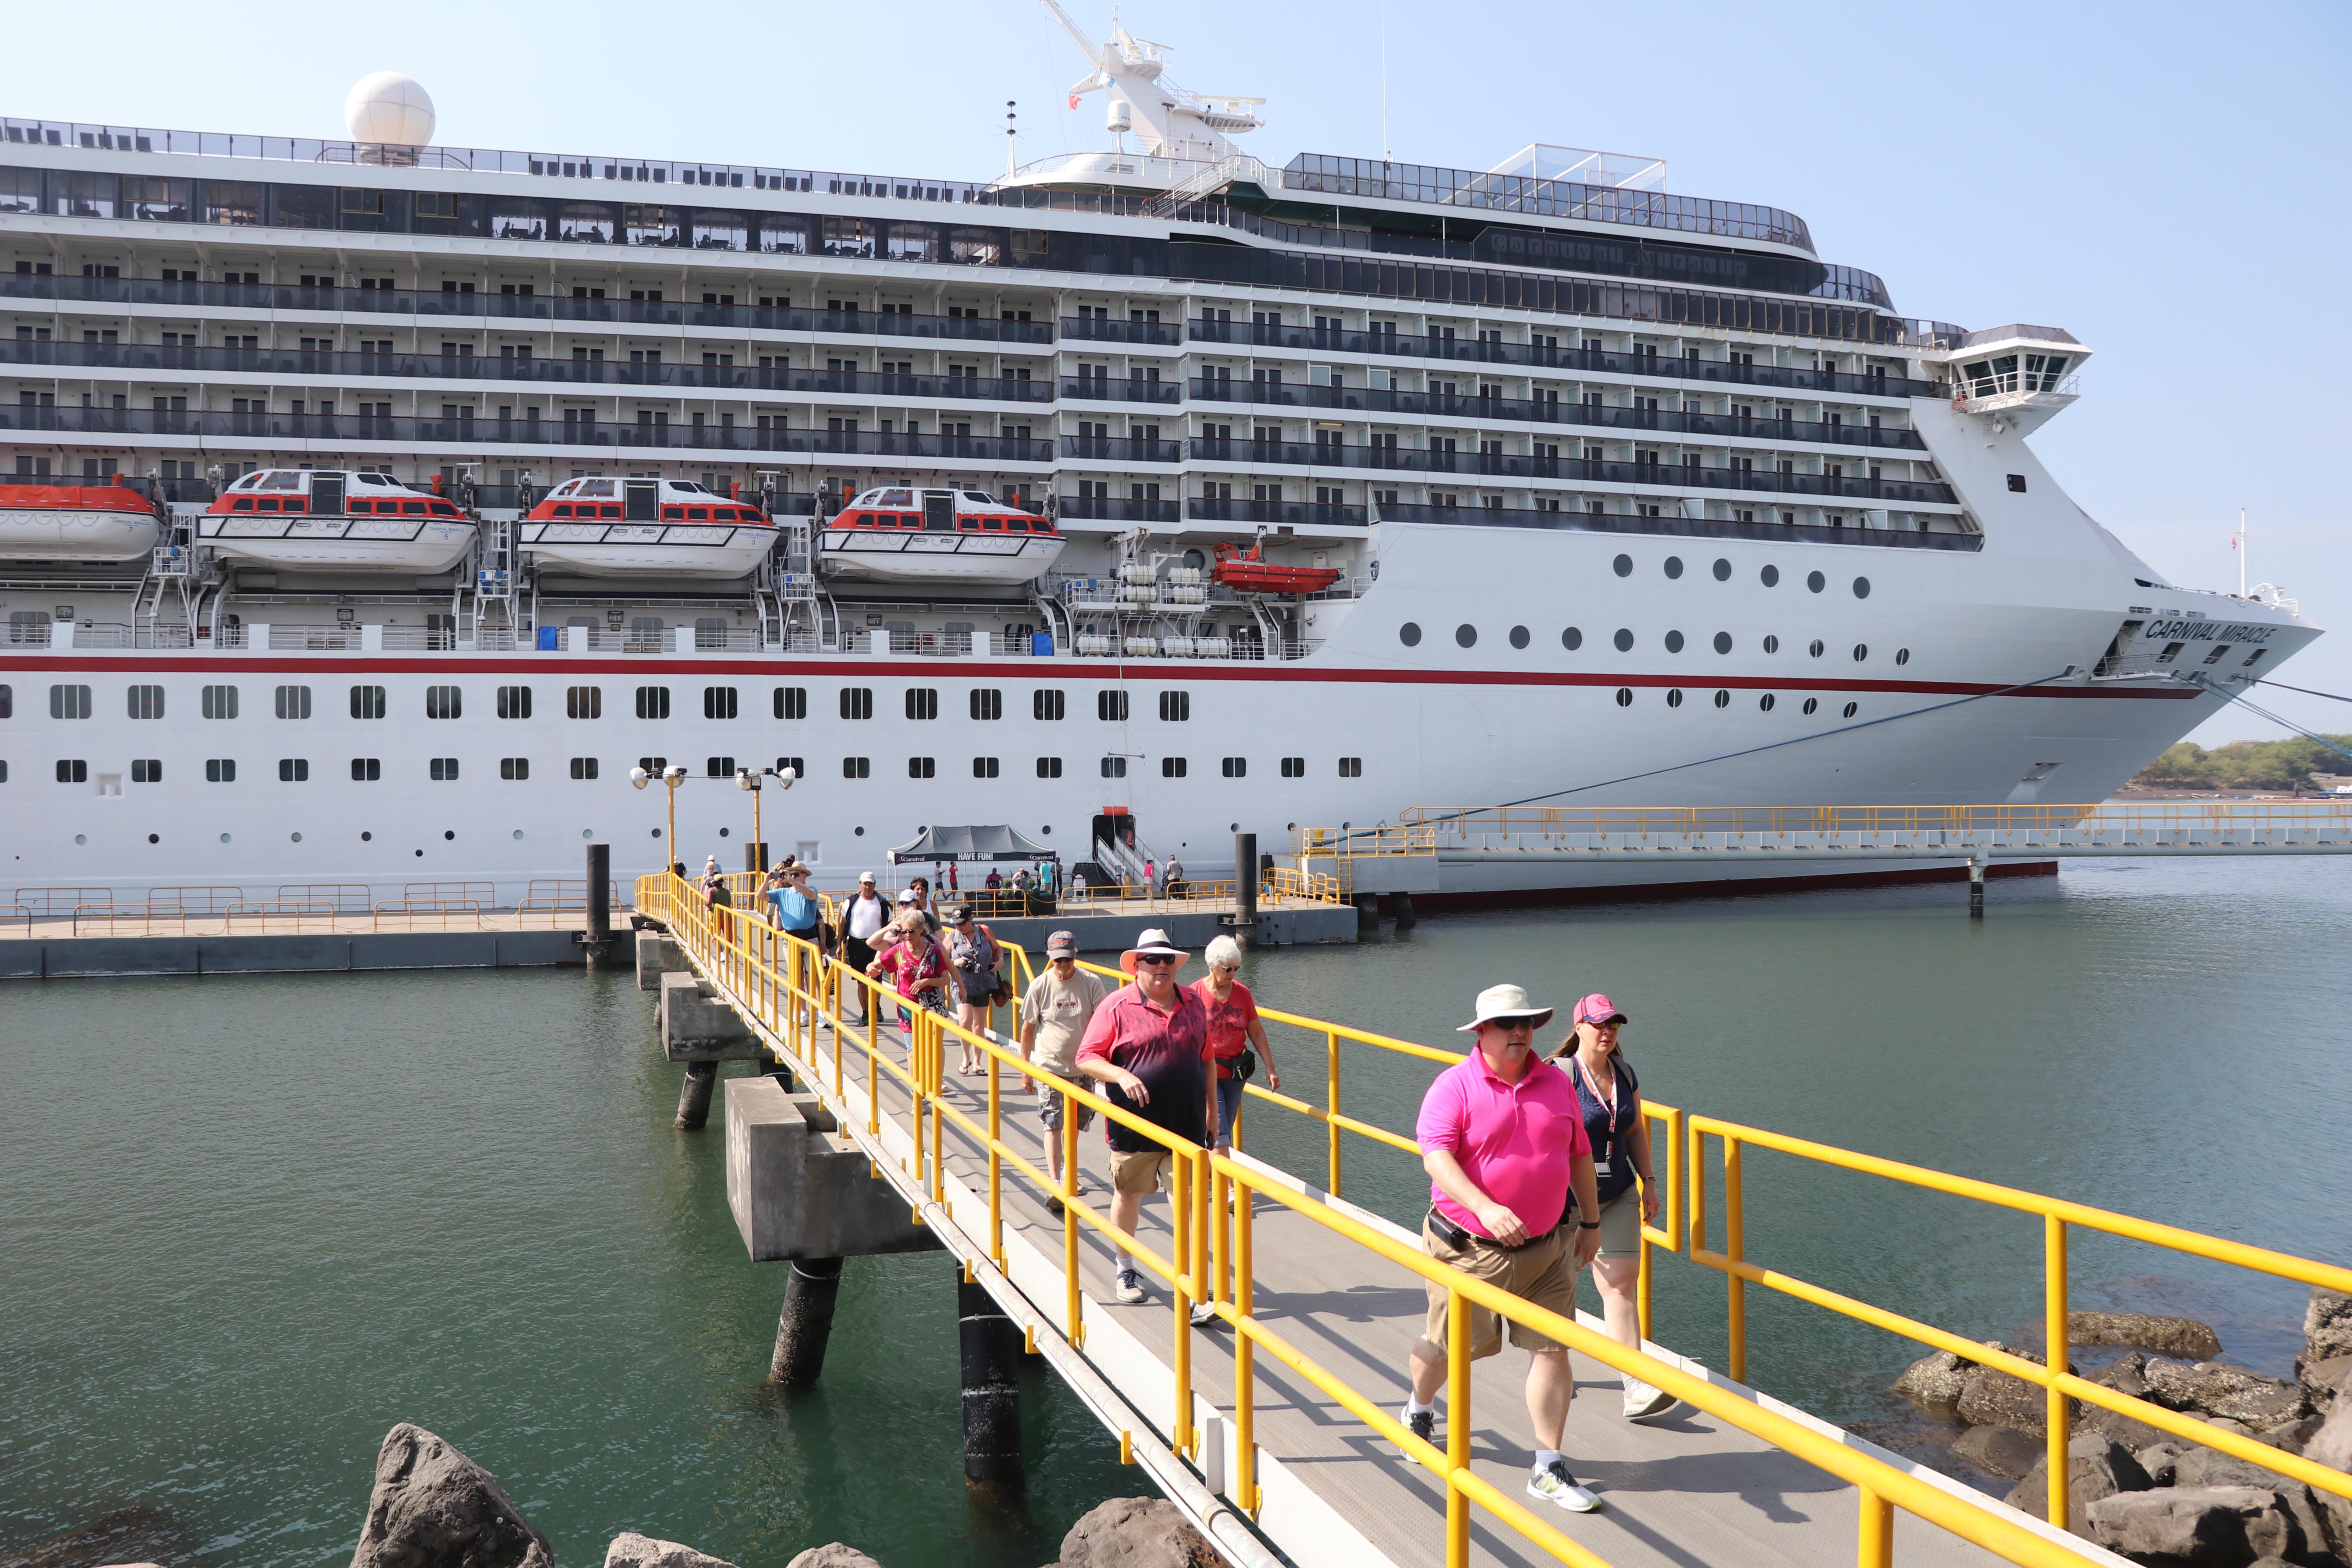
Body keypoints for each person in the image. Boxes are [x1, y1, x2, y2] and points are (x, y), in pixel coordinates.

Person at [1403, 983, 1604, 1514]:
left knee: (1553, 1349)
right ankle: (1420, 1407)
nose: (1521, 1032)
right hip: (1469, 1250)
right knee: (1447, 1348)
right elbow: (1437, 1160)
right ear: (1482, 1033)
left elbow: (1579, 1155)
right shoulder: (1454, 1087)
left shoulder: (1558, 1086)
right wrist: (1486, 1206)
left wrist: (1590, 1220)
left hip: (1548, 1249)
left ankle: (1548, 1465)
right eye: (1508, 1025)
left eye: (1529, 1023)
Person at [1074, 928, 1214, 1306]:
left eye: (1168, 959)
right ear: (1137, 965)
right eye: (1152, 959)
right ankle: (1124, 1267)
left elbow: (1208, 1059)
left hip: (1185, 1125)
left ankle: (1194, 1284)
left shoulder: (1195, 1004)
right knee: (1129, 1195)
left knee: (1188, 1201)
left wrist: (1213, 1113)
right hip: (1133, 1125)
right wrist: (1121, 1074)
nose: (1162, 966)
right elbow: (1086, 1057)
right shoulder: (1116, 1006)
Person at [1554, 995, 1672, 1419]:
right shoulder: (1559, 1076)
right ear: (1579, 1027)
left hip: (1618, 1192)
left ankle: (1635, 1386)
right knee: (1559, 1286)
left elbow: (1636, 1129)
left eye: (1614, 1025)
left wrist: (1650, 1181)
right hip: (1564, 1199)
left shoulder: (1624, 1072)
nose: (1607, 1032)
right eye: (1599, 1024)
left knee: (1621, 1286)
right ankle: (1555, 1369)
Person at [1018, 929, 1109, 1215]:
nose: (1063, 966)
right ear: (1050, 959)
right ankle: (1056, 1181)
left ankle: (1069, 1170)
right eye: (1058, 961)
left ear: (1076, 956)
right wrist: (1026, 1069)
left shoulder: (1092, 984)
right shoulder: (1040, 986)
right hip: (1050, 1067)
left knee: (1076, 1124)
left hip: (1083, 1067)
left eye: (1067, 960)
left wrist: (1102, 1068)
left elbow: (1103, 1025)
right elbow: (1028, 1029)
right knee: (1053, 1123)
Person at [1193, 935, 1281, 1151]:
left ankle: (1208, 1174)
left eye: (1237, 969)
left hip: (1235, 1074)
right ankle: (1230, 1185)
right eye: (1228, 969)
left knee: (1224, 1129)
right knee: (1219, 1132)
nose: (1233, 974)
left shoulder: (1243, 993)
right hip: (1206, 1072)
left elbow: (1257, 1033)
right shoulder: (1194, 994)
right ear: (1213, 967)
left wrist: (1270, 1067)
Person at [866, 911, 962, 1039]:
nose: (907, 935)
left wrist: (927, 982)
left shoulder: (934, 950)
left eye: (912, 931)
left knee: (934, 1050)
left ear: (921, 929)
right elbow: (873, 964)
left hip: (931, 1008)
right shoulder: (898, 950)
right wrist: (872, 969)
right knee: (912, 1051)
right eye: (904, 932)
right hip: (907, 1008)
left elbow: (946, 979)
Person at [942, 904, 1002, 1075]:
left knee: (978, 1024)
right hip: (961, 985)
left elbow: (997, 948)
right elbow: (941, 960)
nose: (959, 927)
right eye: (956, 923)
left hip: (983, 984)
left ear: (971, 920)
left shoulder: (984, 931)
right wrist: (954, 963)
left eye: (962, 923)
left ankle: (977, 1062)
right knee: (965, 1021)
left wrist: (1000, 962)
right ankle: (965, 1057)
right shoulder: (952, 937)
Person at [840, 872, 890, 1023]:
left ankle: (876, 1006)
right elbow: (843, 923)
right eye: (865, 884)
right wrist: (839, 944)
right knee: (861, 981)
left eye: (870, 884)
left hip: (877, 946)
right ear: (860, 884)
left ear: (875, 885)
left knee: (876, 980)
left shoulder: (882, 903)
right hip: (856, 945)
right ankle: (866, 1013)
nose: (867, 887)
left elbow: (889, 927)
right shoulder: (851, 902)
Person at [763, 862, 822, 945]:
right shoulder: (783, 892)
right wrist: (766, 883)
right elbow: (760, 896)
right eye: (791, 875)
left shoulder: (812, 890)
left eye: (796, 874)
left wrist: (791, 880)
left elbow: (810, 895)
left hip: (809, 939)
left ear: (805, 876)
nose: (793, 877)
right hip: (790, 939)